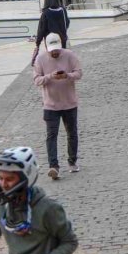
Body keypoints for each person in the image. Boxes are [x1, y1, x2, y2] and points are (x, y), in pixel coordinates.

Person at [33, 33, 83, 179]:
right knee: (51, 136)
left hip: (69, 103)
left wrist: (67, 75)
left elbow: (79, 73)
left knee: (72, 133)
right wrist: (50, 76)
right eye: (52, 50)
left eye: (57, 49)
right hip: (50, 105)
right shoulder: (40, 59)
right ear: (47, 48)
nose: (55, 52)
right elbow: (36, 80)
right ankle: (53, 166)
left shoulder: (69, 55)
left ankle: (72, 161)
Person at [33, 0, 70, 65]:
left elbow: (41, 29)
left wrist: (38, 43)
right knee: (63, 59)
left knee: (53, 61)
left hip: (50, 42)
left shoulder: (46, 13)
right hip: (62, 39)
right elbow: (67, 23)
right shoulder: (63, 10)